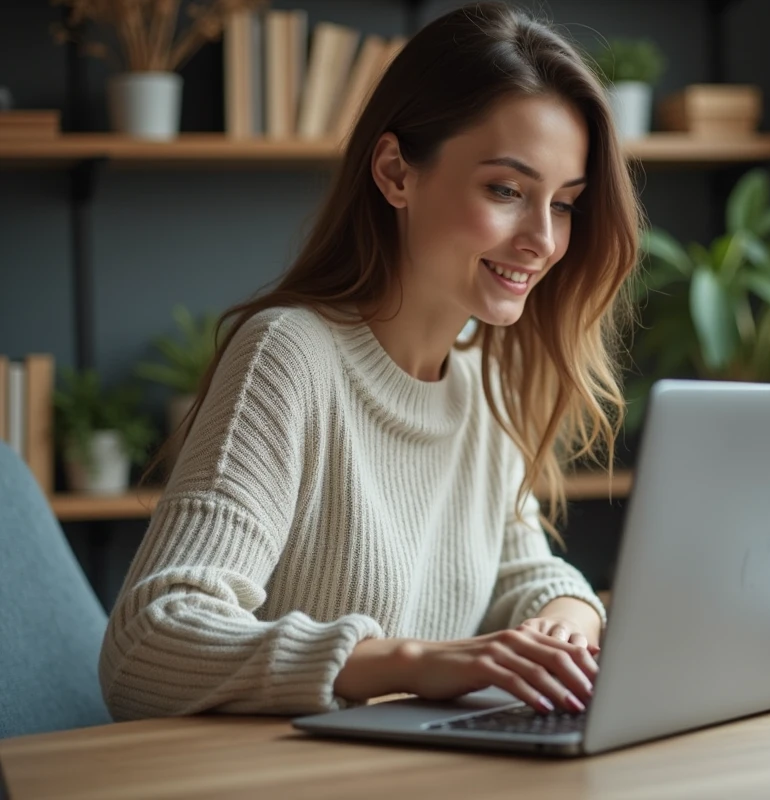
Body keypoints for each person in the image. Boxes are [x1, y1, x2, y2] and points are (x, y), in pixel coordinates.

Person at [99, 1, 641, 721]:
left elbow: (522, 567)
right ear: (395, 173)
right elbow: (147, 644)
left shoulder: (481, 372)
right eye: (507, 191)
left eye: (565, 203)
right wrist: (413, 661)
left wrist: (567, 627)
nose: (543, 238)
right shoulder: (290, 356)